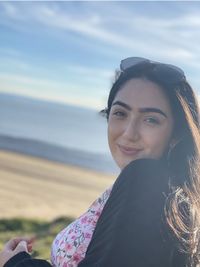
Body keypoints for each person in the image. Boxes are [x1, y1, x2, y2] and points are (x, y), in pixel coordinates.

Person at [1, 57, 200, 267]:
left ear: (176, 134)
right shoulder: (172, 196)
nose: (129, 133)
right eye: (120, 113)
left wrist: (16, 263)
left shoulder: (147, 180)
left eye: (151, 119)